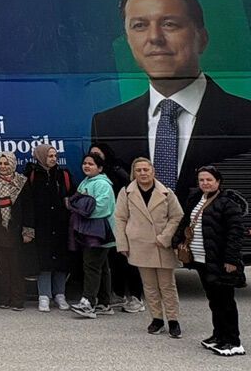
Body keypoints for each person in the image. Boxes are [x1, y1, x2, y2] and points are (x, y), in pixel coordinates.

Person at [90, 0, 251, 198]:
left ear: (202, 38)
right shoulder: (107, 126)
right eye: (139, 26)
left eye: (169, 24)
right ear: (128, 41)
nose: (154, 37)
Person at [173, 166, 248, 357]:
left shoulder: (228, 203)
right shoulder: (196, 199)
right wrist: (176, 241)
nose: (205, 183)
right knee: (214, 300)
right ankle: (218, 335)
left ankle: (233, 341)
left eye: (209, 180)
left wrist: (231, 259)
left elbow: (236, 233)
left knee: (226, 302)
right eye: (201, 180)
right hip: (201, 259)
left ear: (218, 181)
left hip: (220, 260)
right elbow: (186, 222)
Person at [115, 157, 185, 338]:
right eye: (138, 170)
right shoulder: (126, 192)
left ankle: (173, 320)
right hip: (139, 244)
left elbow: (177, 216)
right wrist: (122, 243)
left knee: (167, 285)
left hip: (162, 245)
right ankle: (157, 319)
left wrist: (166, 237)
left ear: (153, 171)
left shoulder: (166, 192)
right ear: (134, 173)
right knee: (149, 286)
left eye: (146, 169)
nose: (143, 173)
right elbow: (120, 218)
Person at [90, 143, 144, 313]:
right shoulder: (96, 176)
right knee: (115, 261)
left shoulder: (117, 171)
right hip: (110, 224)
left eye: (98, 154)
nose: (95, 157)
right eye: (92, 154)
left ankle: (136, 297)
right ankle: (118, 294)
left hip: (125, 221)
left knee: (129, 261)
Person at [20, 143, 75, 312]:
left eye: (55, 156)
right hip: (41, 225)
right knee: (44, 260)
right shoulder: (31, 175)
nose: (53, 159)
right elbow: (27, 203)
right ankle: (44, 295)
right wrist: (28, 227)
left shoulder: (63, 175)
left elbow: (72, 195)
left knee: (61, 260)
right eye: (50, 156)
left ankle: (60, 294)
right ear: (41, 156)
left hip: (60, 224)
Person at [69, 153, 116, 319]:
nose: (86, 166)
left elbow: (102, 207)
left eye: (91, 164)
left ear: (100, 168)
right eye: (85, 163)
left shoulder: (102, 184)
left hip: (99, 234)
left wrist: (81, 208)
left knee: (91, 266)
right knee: (101, 267)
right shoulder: (86, 182)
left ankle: (88, 302)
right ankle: (104, 303)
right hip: (92, 232)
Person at [0, 152, 29, 311]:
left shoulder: (21, 181)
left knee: (16, 267)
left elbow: (29, 208)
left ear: (13, 164)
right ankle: (4, 298)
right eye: (0, 163)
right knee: (2, 267)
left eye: (6, 163)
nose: (2, 167)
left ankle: (17, 300)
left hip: (14, 231)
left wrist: (28, 231)